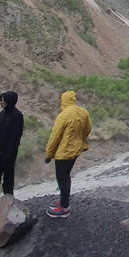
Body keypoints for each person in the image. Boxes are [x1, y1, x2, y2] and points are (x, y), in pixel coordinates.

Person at [43, 90, 92, 218]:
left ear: (63, 101)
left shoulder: (64, 115)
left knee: (62, 179)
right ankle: (63, 202)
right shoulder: (84, 112)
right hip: (76, 151)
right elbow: (88, 129)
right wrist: (80, 140)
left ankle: (64, 208)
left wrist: (49, 154)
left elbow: (55, 136)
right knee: (66, 177)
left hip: (63, 153)